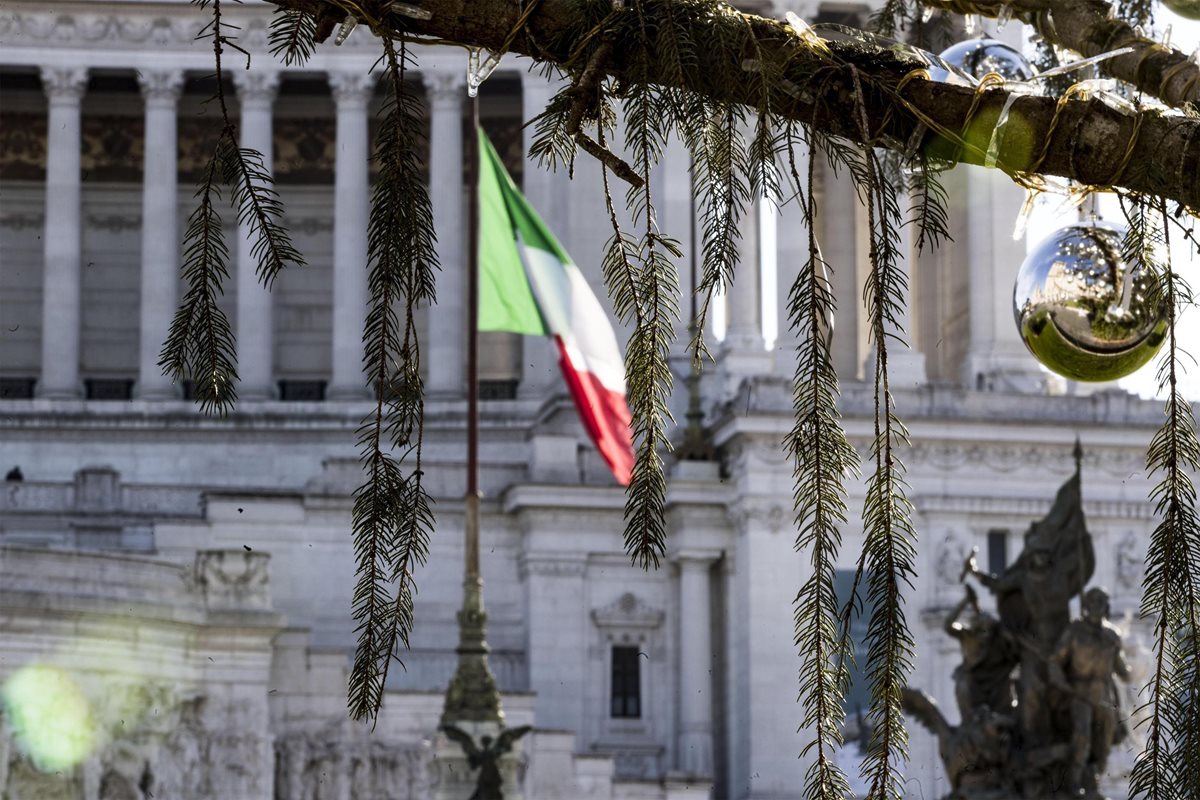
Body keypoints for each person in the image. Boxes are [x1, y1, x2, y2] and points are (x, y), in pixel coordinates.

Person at [1048, 587, 1132, 799]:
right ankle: (1074, 783)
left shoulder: (1112, 636)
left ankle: (1095, 779)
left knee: (1104, 743)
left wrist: (1134, 671)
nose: (1096, 607)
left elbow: (1121, 670)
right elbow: (1055, 661)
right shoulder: (1074, 631)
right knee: (1082, 737)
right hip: (1079, 693)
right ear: (1085, 607)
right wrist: (1060, 681)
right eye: (1092, 603)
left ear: (1106, 608)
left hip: (1104, 696)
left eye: (1100, 603)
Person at [943, 584, 1017, 717]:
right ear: (975, 630)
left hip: (998, 680)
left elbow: (1012, 649)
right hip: (975, 680)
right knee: (963, 686)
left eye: (989, 630)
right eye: (982, 630)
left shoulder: (998, 640)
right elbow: (948, 625)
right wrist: (964, 602)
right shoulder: (966, 636)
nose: (986, 634)